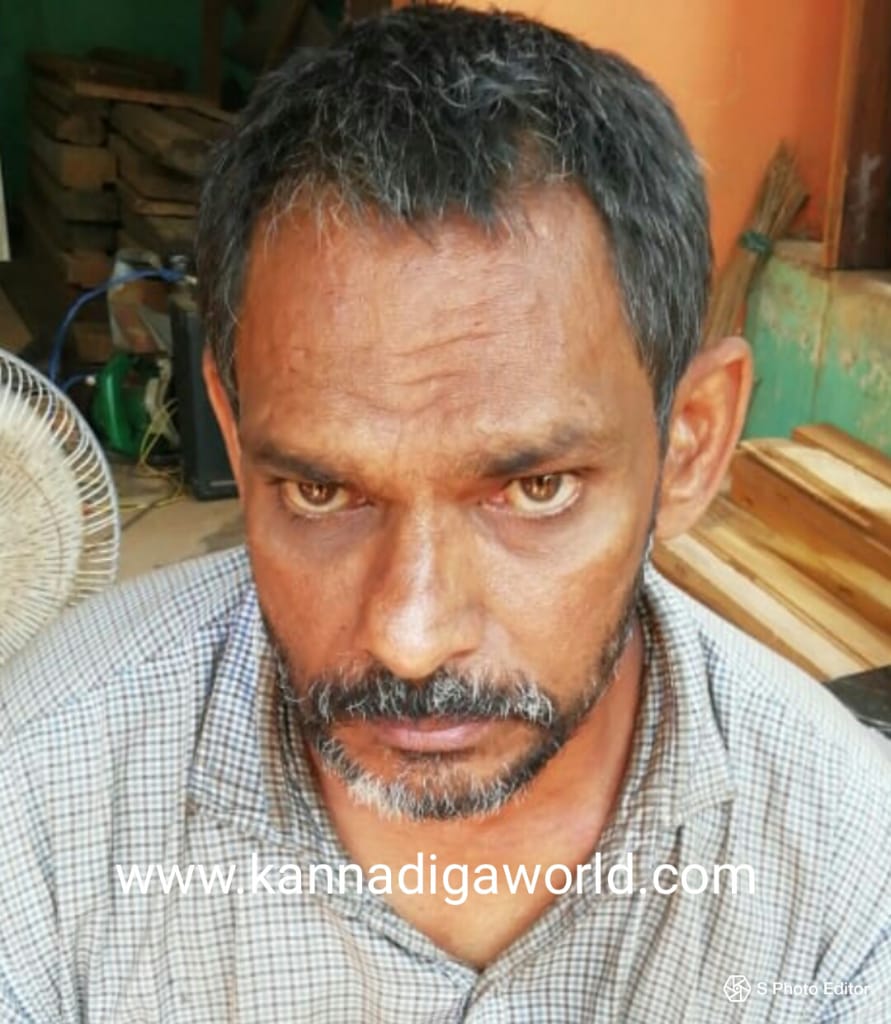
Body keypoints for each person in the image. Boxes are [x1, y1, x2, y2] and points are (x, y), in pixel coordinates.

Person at [1, 5, 888, 1022]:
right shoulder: (38, 795)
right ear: (235, 442)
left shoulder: (849, 875)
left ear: (688, 446)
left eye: (536, 489)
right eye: (321, 491)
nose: (411, 637)